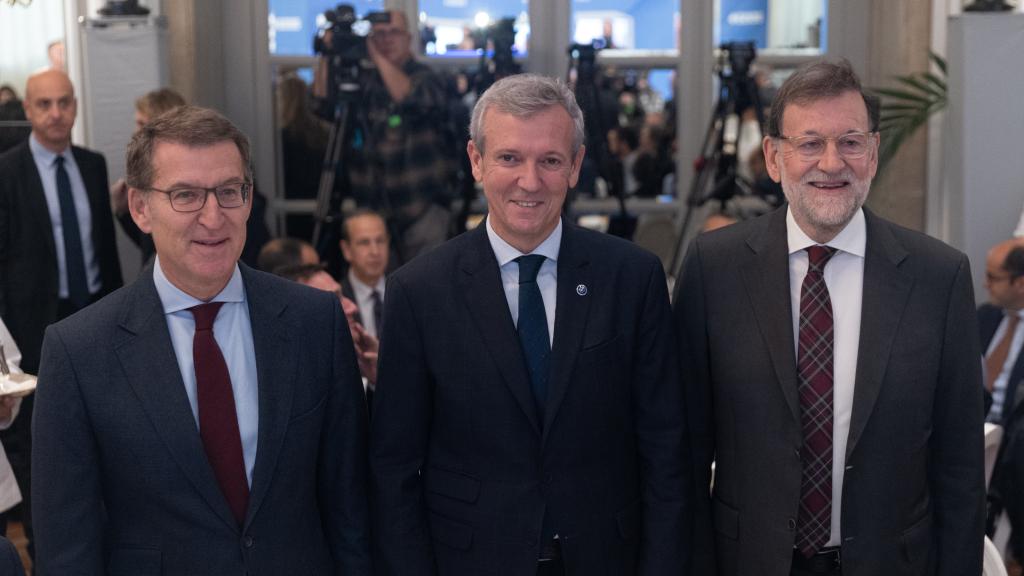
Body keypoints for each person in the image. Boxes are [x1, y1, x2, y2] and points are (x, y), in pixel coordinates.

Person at [674, 59, 985, 576]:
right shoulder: (714, 268)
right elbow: (682, 452)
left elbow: (960, 469)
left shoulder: (939, 276)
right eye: (810, 143)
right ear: (773, 158)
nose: (832, 162)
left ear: (874, 153)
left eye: (850, 142)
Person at [371, 74, 691, 576]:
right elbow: (392, 467)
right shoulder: (420, 291)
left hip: (607, 558)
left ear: (576, 166)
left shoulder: (632, 277)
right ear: (476, 160)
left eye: (550, 160)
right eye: (509, 158)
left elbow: (667, 449)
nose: (530, 180)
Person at [31, 106, 371, 575]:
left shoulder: (315, 322)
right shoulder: (78, 350)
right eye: (186, 195)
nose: (213, 218)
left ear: (249, 200)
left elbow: (348, 504)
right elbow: (68, 542)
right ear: (140, 208)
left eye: (229, 192)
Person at [0, 68, 123, 555]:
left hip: (94, 312)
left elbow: (106, 248)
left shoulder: (93, 165)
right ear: (28, 110)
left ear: (76, 105)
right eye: (45, 104)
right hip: (33, 327)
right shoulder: (7, 172)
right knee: (40, 444)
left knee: (105, 429)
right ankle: (45, 545)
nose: (56, 114)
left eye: (64, 102)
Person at [318, 9, 453, 265]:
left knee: (427, 288)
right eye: (379, 34)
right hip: (373, 211)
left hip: (420, 207)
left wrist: (376, 56)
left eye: (394, 33)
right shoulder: (363, 81)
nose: (386, 40)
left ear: (409, 38)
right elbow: (321, 104)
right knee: (382, 293)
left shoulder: (426, 76)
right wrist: (328, 54)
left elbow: (411, 98)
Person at [979, 239, 1024, 565]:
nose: (985, 284)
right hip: (970, 431)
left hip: (1013, 445)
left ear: (1020, 283)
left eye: (994, 277)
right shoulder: (984, 318)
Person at [110, 88, 187, 265]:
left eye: (141, 124)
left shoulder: (189, 173)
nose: (135, 133)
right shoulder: (149, 169)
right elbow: (150, 241)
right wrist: (124, 211)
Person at [340, 209, 389, 339]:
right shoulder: (336, 299)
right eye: (364, 243)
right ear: (347, 250)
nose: (375, 251)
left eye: (380, 241)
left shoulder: (405, 291)